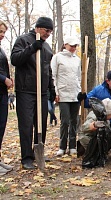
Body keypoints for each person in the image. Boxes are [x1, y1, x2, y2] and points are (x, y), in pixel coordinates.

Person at [11, 17, 55, 170]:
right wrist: (31, 48)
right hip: (26, 91)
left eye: (50, 31)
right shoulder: (23, 40)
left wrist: (51, 87)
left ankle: (38, 153)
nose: (48, 34)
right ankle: (26, 157)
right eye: (46, 30)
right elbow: (15, 59)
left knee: (41, 123)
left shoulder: (47, 47)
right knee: (26, 124)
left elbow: (48, 70)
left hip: (42, 92)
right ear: (38, 27)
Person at [51, 36, 81, 156]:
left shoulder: (77, 59)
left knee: (74, 120)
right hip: (63, 94)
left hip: (75, 94)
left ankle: (72, 145)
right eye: (71, 45)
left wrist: (80, 91)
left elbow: (78, 77)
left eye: (75, 46)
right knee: (65, 121)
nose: (73, 48)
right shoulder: (57, 57)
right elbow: (54, 76)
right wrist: (56, 92)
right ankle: (62, 146)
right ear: (65, 45)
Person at [78, 98, 111, 168]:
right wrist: (93, 125)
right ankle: (91, 155)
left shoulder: (106, 120)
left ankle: (100, 155)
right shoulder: (93, 116)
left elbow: (108, 133)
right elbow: (84, 127)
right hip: (88, 137)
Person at [0, 20, 14, 174]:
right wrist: (4, 79)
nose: (2, 35)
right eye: (0, 32)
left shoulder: (1, 49)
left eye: (4, 32)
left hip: (2, 93)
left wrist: (9, 79)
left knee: (1, 126)